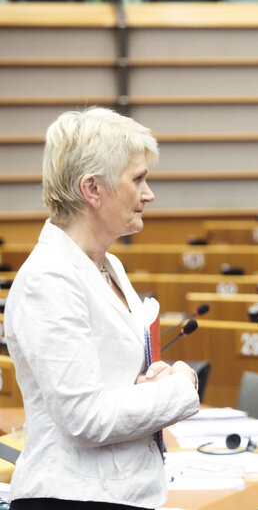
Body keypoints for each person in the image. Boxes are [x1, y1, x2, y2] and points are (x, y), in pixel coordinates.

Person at [3, 107, 200, 510]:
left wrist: (152, 379)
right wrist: (180, 388)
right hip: (72, 499)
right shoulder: (48, 280)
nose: (149, 194)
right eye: (138, 179)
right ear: (93, 189)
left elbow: (112, 379)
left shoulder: (109, 265)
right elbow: (84, 417)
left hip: (120, 494)